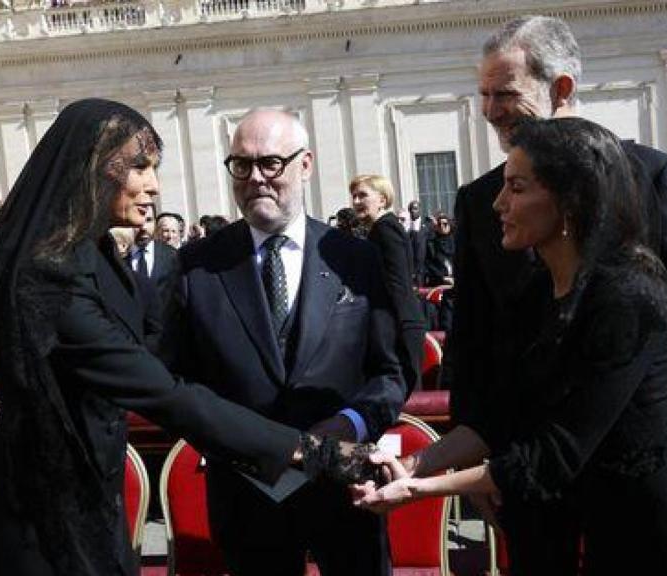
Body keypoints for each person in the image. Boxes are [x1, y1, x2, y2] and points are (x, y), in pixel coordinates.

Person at [0, 99, 370, 576]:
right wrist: (309, 449)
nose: (154, 187)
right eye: (140, 168)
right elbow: (159, 390)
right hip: (42, 507)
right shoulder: (46, 275)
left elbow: (165, 352)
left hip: (94, 488)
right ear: (94, 169)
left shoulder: (97, 258)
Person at [353, 117, 667, 576]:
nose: (497, 203)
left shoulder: (627, 295)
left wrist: (418, 491)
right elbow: (501, 419)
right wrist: (413, 464)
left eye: (516, 187)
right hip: (610, 531)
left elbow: (555, 454)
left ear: (570, 200)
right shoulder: (539, 295)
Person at [449, 17, 667, 493]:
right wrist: (473, 467)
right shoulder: (480, 201)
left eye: (505, 94)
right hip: (528, 471)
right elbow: (474, 344)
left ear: (561, 87)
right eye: (484, 95)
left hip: (640, 471)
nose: (490, 112)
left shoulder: (652, 175)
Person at [162, 109, 404, 576]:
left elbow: (390, 372)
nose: (255, 178)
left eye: (270, 163)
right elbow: (178, 385)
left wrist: (350, 423)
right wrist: (246, 444)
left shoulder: (355, 257)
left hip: (346, 494)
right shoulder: (196, 266)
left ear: (306, 165)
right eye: (241, 165)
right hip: (247, 501)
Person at [350, 174, 427, 394]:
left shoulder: (384, 229)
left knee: (404, 402)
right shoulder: (383, 227)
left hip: (399, 324)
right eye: (354, 196)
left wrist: (390, 327)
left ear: (382, 200)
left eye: (362, 195)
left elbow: (396, 281)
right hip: (400, 321)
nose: (356, 201)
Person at [423, 212, 454, 286]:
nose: (442, 226)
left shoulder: (455, 241)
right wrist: (442, 278)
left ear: (449, 225)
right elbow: (428, 264)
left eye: (445, 224)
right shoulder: (431, 243)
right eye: (439, 224)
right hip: (439, 282)